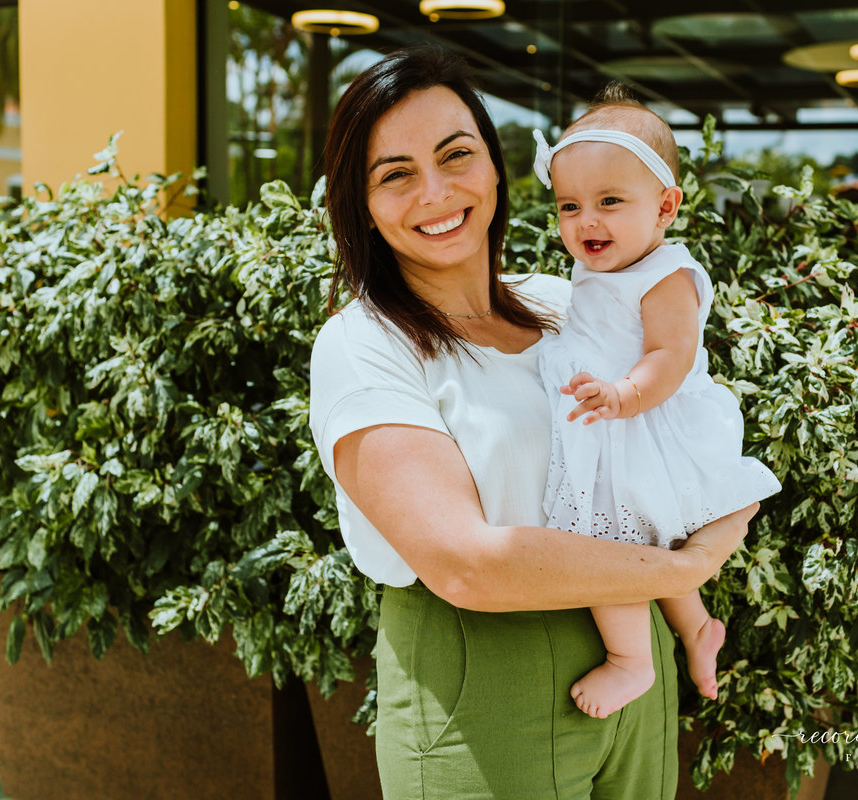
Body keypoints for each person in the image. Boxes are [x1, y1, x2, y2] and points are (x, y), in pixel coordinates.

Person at [309, 45, 758, 799]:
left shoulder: (568, 303)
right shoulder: (364, 345)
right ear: (361, 204)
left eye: (458, 156)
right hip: (486, 679)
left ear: (495, 167)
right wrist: (687, 570)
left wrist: (717, 519)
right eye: (395, 174)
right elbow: (465, 562)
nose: (436, 191)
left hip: (635, 664)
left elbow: (672, 420)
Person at [531, 87, 782, 720]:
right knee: (650, 551)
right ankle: (698, 630)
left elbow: (670, 356)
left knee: (607, 546)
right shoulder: (605, 265)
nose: (587, 221)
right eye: (570, 206)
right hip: (613, 422)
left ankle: (631, 662)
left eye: (610, 202)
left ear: (665, 206)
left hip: (642, 422)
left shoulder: (666, 274)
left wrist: (623, 395)